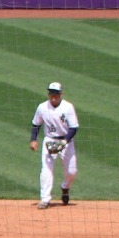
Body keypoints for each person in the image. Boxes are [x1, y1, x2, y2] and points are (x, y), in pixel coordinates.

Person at [30, 81, 79, 209]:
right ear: (48, 93)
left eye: (56, 93)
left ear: (61, 94)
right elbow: (36, 124)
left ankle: (65, 187)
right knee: (46, 169)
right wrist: (33, 140)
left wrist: (64, 142)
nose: (53, 95)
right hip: (50, 141)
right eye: (51, 93)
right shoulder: (42, 107)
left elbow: (73, 128)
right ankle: (45, 199)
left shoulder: (68, 107)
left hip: (66, 142)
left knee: (71, 172)